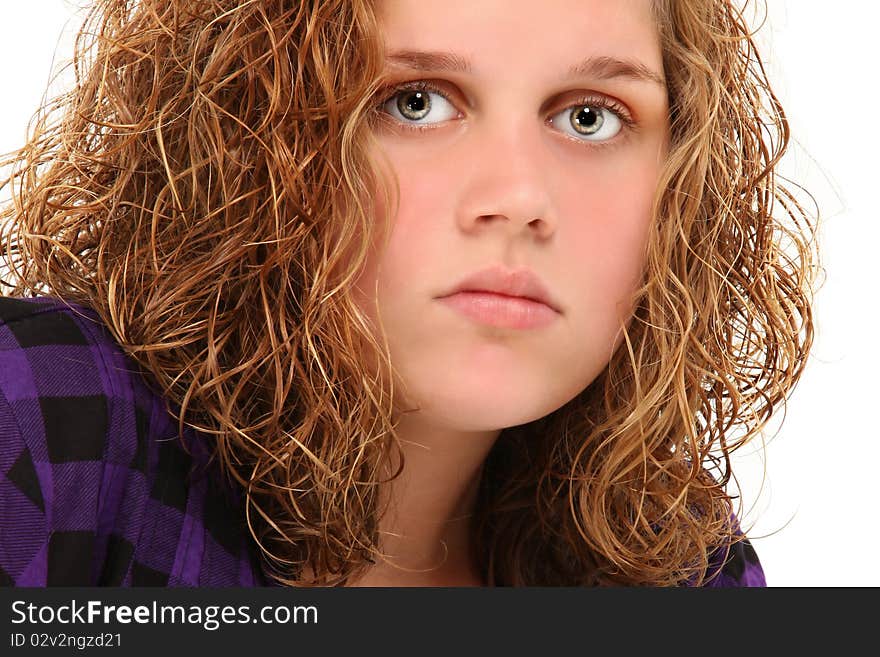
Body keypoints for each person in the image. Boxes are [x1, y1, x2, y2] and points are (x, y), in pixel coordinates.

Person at [0, 0, 819, 588]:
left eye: (590, 118)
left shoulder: (678, 569)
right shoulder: (44, 420)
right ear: (247, 138)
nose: (520, 196)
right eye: (417, 101)